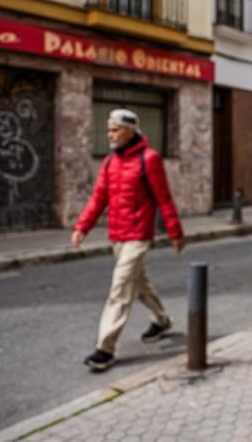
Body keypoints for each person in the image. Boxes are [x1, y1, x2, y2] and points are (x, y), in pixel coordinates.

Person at [71, 109, 185, 372]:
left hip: (138, 235)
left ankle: (105, 348)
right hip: (118, 234)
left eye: (115, 130)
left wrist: (175, 232)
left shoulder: (150, 159)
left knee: (120, 288)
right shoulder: (110, 162)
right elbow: (99, 198)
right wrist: (82, 227)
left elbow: (163, 198)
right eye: (108, 129)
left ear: (131, 130)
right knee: (139, 282)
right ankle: (161, 320)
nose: (110, 135)